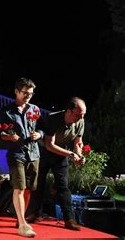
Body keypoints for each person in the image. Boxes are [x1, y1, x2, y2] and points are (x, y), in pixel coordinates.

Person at [26, 97, 86, 231]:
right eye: (79, 114)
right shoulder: (53, 118)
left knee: (63, 186)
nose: (81, 117)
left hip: (62, 153)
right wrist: (71, 154)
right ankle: (35, 213)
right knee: (38, 183)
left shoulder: (80, 121)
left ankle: (69, 219)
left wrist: (79, 155)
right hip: (44, 152)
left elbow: (78, 143)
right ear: (69, 111)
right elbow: (49, 145)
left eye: (83, 115)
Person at [0, 78, 43, 237]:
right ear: (16, 91)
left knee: (29, 188)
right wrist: (9, 137)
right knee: (19, 187)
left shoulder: (35, 109)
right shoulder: (6, 111)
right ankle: (23, 224)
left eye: (30, 94)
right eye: (25, 93)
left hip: (34, 153)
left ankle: (19, 217)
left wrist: (39, 134)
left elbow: (43, 129)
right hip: (16, 154)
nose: (28, 96)